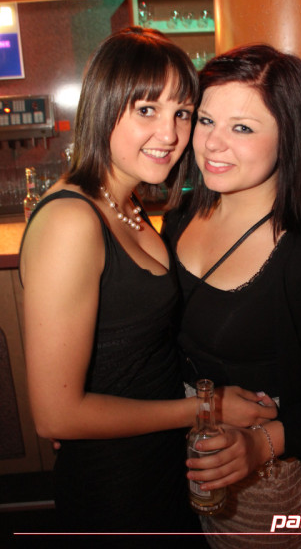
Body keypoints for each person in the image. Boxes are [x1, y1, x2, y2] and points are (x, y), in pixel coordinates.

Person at [19, 28, 277, 545]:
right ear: (103, 106)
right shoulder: (72, 221)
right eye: (146, 110)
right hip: (115, 486)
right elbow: (55, 416)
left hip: (159, 457)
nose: (170, 134)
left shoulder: (126, 200)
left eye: (182, 113)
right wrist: (205, 408)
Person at [162, 43, 301, 548]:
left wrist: (261, 445)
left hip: (267, 488)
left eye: (242, 128)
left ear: (290, 136)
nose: (212, 144)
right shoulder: (180, 217)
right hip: (182, 455)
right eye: (205, 120)